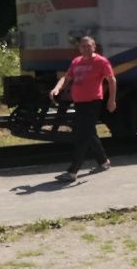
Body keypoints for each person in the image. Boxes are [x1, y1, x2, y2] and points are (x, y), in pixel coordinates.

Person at [49, 36, 117, 182]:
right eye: (83, 46)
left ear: (94, 47)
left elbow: (111, 80)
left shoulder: (101, 61)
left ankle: (73, 171)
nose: (85, 48)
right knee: (90, 133)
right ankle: (104, 161)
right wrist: (57, 88)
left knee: (82, 135)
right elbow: (66, 78)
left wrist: (111, 100)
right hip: (79, 103)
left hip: (93, 102)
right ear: (79, 48)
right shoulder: (76, 61)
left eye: (88, 46)